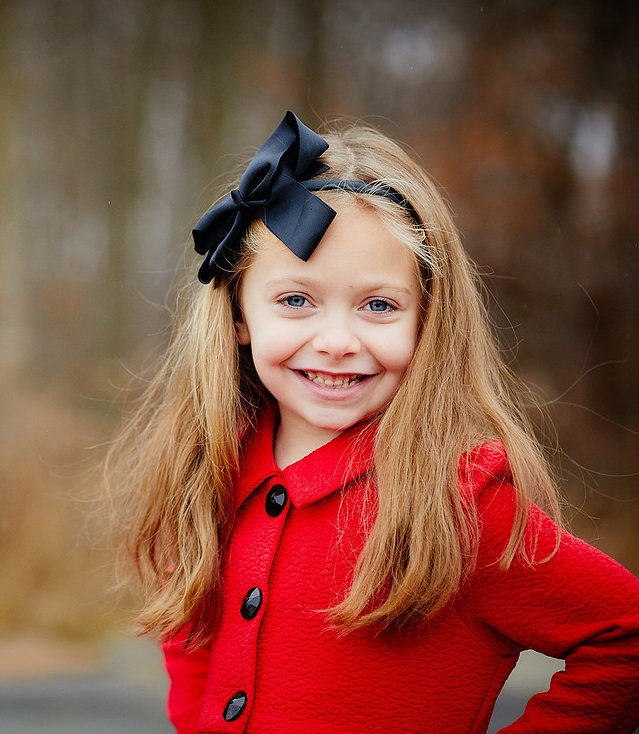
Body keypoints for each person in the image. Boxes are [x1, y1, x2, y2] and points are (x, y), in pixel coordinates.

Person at [106, 111, 639, 733]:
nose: (336, 340)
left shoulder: (458, 503)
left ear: (426, 321)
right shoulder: (210, 476)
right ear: (240, 316)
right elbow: (192, 637)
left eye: (378, 305)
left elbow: (624, 635)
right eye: (297, 300)